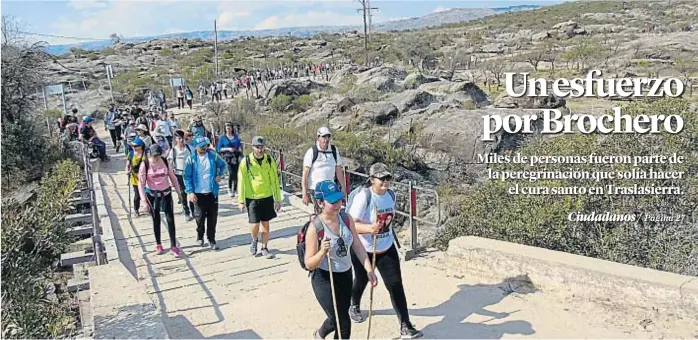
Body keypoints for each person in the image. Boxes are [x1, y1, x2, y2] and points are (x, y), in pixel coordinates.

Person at [346, 163, 423, 339]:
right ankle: (354, 304)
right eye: (382, 178)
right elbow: (351, 224)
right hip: (364, 249)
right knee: (362, 280)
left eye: (388, 178)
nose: (386, 182)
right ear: (372, 180)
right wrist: (368, 228)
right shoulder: (363, 197)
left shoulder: (390, 195)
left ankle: (405, 325)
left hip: (386, 247)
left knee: (395, 285)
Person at [305, 180, 378, 340]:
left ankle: (320, 334)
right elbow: (309, 263)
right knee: (342, 322)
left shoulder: (346, 218)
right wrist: (322, 252)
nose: (338, 204)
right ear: (320, 203)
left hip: (345, 274)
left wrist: (369, 269)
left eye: (339, 199)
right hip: (324, 278)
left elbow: (358, 246)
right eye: (332, 202)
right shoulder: (315, 228)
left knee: (338, 317)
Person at [237, 136, 282, 259]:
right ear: (253, 147)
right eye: (257, 147)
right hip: (252, 197)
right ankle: (254, 240)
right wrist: (241, 201)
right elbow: (241, 181)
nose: (260, 150)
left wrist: (277, 199)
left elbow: (275, 180)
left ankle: (264, 247)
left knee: (265, 223)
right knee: (254, 224)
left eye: (262, 147)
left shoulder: (269, 160)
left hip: (267, 196)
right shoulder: (246, 161)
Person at [138, 144, 184, 257]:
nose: (156, 158)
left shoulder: (164, 161)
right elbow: (141, 183)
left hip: (166, 193)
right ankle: (158, 243)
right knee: (156, 219)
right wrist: (143, 200)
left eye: (158, 155)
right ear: (150, 155)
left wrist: (179, 193)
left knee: (170, 219)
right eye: (154, 156)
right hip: (152, 195)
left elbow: (173, 177)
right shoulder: (145, 164)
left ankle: (173, 245)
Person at [183, 136, 227, 250]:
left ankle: (211, 239)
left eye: (205, 145)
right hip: (198, 193)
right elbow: (186, 176)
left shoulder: (213, 155)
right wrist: (190, 192)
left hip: (212, 192)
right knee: (200, 217)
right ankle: (200, 236)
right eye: (201, 146)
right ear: (195, 146)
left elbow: (224, 165)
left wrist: (220, 175)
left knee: (212, 217)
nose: (204, 148)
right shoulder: (191, 159)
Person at [302, 127, 346, 215]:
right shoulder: (312, 152)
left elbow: (338, 170)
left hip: (330, 188)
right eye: (323, 137)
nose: (326, 139)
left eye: (328, 136)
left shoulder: (333, 150)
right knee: (321, 213)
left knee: (333, 212)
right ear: (318, 137)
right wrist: (304, 193)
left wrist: (343, 187)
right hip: (316, 188)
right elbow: (305, 174)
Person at [167, 130, 195, 221]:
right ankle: (186, 212)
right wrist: (170, 177)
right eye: (178, 138)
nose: (181, 140)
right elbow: (170, 163)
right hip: (178, 174)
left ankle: (193, 211)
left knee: (190, 191)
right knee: (182, 193)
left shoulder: (190, 148)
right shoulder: (173, 151)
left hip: (189, 174)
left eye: (182, 138)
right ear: (175, 139)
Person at [216, 122, 242, 197]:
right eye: (227, 127)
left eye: (229, 127)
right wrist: (228, 149)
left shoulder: (236, 137)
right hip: (227, 157)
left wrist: (239, 150)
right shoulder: (222, 138)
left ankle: (235, 189)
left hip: (235, 157)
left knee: (236, 173)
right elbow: (218, 149)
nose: (228, 129)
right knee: (231, 173)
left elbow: (239, 145)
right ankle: (230, 188)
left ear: (232, 128)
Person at [126, 137, 147, 216]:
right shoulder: (131, 154)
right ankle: (136, 209)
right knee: (137, 195)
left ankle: (147, 207)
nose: (133, 148)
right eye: (132, 146)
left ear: (141, 146)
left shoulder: (146, 154)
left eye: (135, 146)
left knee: (147, 194)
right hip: (135, 178)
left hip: (145, 178)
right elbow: (127, 165)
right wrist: (127, 171)